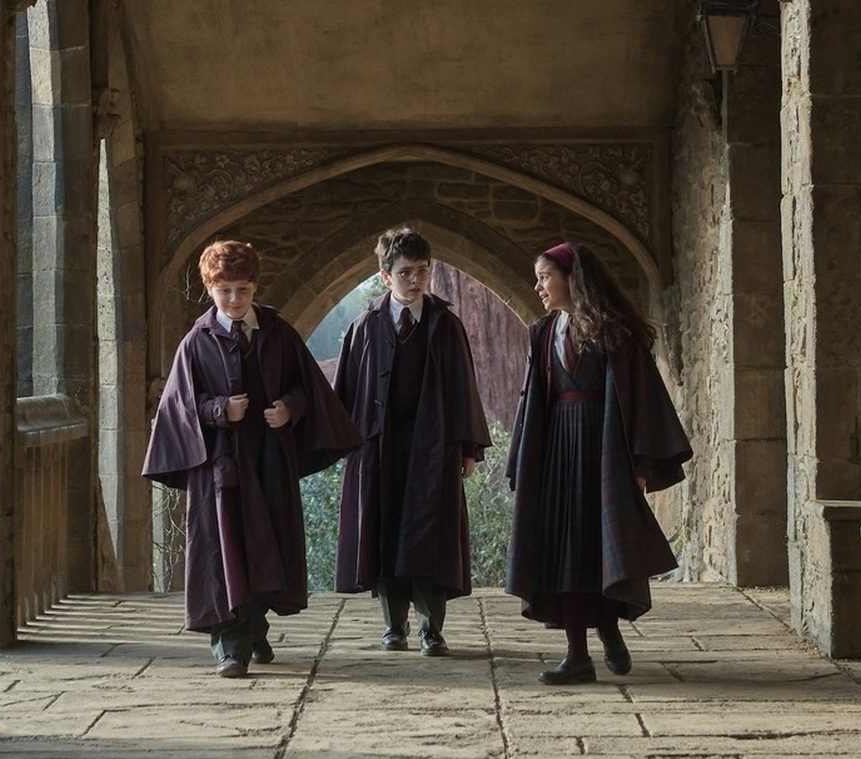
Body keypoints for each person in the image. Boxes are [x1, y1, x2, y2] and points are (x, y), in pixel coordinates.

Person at [143, 239, 361, 677]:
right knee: (224, 550)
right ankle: (230, 645)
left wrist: (289, 409)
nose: (234, 299)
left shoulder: (279, 333)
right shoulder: (196, 342)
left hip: (269, 461)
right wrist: (220, 410)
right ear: (210, 289)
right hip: (220, 466)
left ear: (255, 286)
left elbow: (307, 387)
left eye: (242, 289)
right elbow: (179, 406)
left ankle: (255, 628)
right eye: (224, 290)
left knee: (266, 547)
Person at [506, 241, 692, 684]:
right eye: (537, 279)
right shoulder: (543, 333)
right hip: (557, 451)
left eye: (545, 277)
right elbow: (532, 401)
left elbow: (640, 398)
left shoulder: (614, 333)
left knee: (600, 547)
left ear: (572, 279)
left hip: (603, 449)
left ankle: (608, 630)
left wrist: (640, 463)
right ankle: (577, 656)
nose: (538, 287)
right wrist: (524, 461)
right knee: (565, 549)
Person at [334, 227, 491, 656]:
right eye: (405, 272)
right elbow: (346, 392)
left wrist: (468, 448)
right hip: (379, 448)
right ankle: (393, 626)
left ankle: (431, 629)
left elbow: (463, 388)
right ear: (386, 276)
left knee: (429, 536)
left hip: (433, 448)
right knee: (385, 533)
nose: (416, 280)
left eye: (422, 270)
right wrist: (346, 447)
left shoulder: (445, 325)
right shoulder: (365, 326)